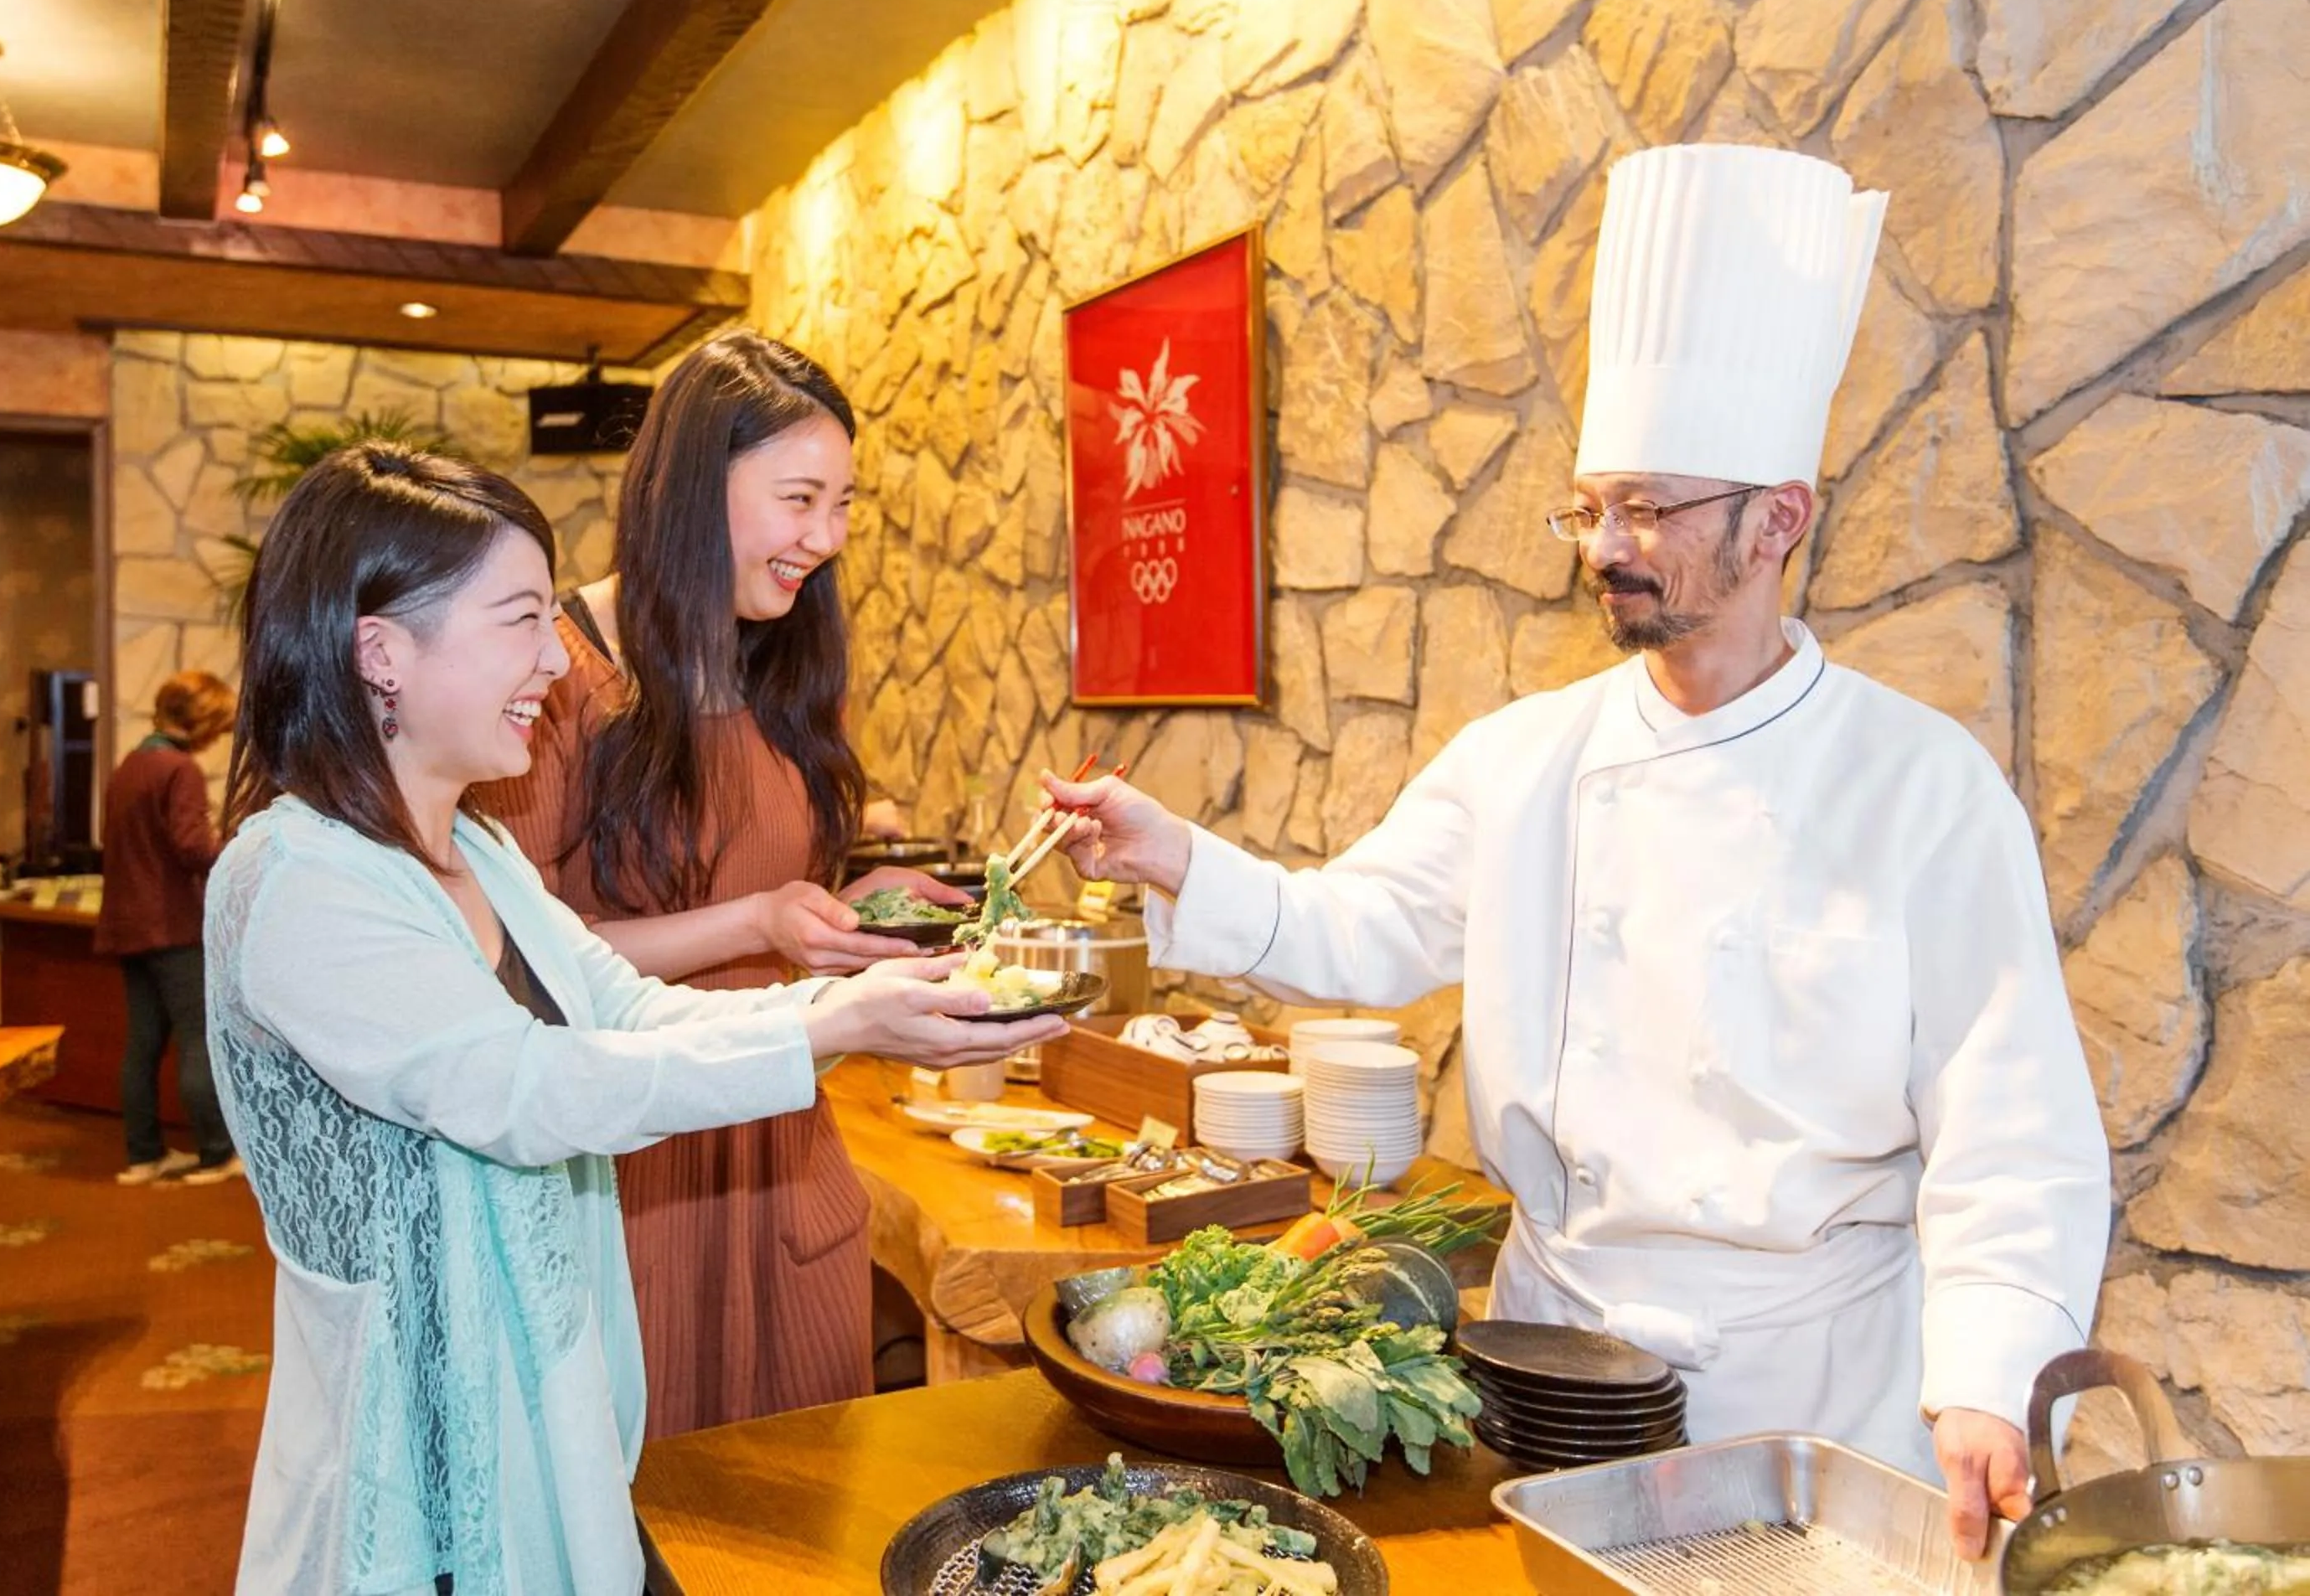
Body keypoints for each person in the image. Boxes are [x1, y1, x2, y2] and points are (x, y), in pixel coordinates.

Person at [1041, 145, 2109, 1560]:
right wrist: (1173, 853)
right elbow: (1356, 927)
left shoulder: (1922, 786)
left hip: (1812, 1391)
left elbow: (2013, 1130)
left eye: (1651, 509)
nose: (1606, 544)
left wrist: (1985, 1379)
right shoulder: (1526, 756)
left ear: (1779, 519)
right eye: (1593, 506)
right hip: (1549, 1373)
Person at [204, 442, 1057, 1593]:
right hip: (420, 1434)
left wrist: (854, 1000)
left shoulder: (481, 850)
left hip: (544, 1403)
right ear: (381, 652)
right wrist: (829, 1032)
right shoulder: (300, 878)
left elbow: (627, 1012)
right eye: (517, 619)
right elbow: (528, 1092)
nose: (556, 660)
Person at [483, 331, 966, 1435]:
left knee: (801, 1500)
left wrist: (850, 898)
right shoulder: (559, 676)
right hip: (632, 1172)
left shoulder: (786, 665)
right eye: (800, 498)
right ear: (698, 486)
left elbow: (771, 877)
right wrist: (752, 919)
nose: (826, 539)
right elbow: (527, 958)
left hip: (784, 1154)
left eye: (843, 504)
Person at [97, 669, 240, 1185]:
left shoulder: (129, 766)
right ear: (201, 720)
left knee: (143, 1044)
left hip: (126, 924)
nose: (219, 737)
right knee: (200, 1037)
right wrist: (241, 847)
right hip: (174, 926)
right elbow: (192, 847)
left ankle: (144, 1155)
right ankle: (215, 1153)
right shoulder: (179, 769)